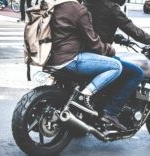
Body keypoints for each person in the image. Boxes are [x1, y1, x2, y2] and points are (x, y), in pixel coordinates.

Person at [83, 0, 150, 128]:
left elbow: (97, 26)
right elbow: (133, 30)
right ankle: (111, 111)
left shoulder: (89, 3)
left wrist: (115, 37)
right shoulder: (111, 7)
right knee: (136, 73)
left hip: (86, 52)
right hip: (100, 54)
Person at [49, 0, 127, 130]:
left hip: (52, 58)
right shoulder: (79, 10)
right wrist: (109, 49)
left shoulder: (56, 6)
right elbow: (93, 41)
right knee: (116, 66)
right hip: (70, 58)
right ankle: (83, 97)